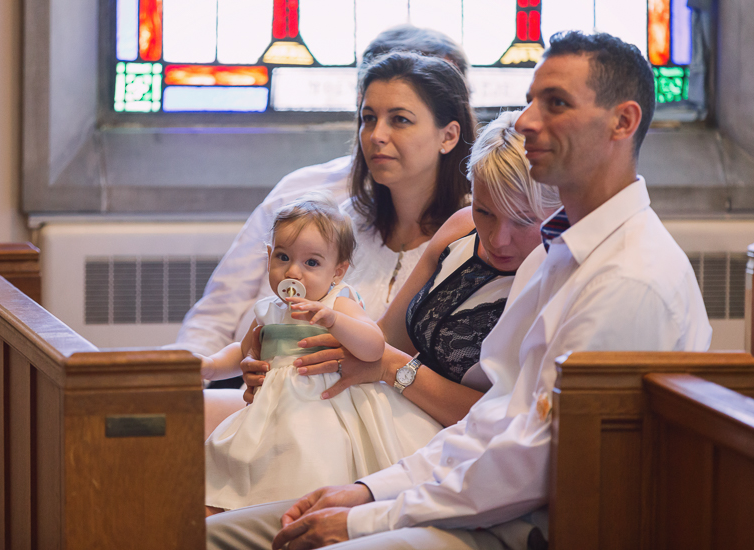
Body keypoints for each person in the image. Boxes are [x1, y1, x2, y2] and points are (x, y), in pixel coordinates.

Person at [206, 31, 713, 550]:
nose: (526, 121)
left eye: (555, 104)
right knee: (210, 535)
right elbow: (492, 420)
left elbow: (529, 465)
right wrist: (366, 491)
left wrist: (368, 518)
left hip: (535, 526)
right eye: (531, 100)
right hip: (458, 489)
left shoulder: (628, 277)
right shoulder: (558, 252)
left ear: (622, 122)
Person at [165, 26, 471, 436]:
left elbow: (388, 350)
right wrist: (231, 365)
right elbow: (223, 309)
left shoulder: (475, 232)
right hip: (281, 400)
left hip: (385, 417)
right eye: (368, 118)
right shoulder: (332, 217)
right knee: (156, 420)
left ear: (449, 132)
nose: (377, 136)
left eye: (400, 118)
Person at [243, 110, 562, 430]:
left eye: (522, 220)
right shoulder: (461, 228)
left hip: (460, 435)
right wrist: (282, 357)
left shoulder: (560, 276)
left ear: (560, 206)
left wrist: (392, 367)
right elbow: (386, 336)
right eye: (484, 211)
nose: (497, 238)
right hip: (390, 405)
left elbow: (516, 418)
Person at [204, 194, 442, 515]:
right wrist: (210, 366)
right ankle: (253, 515)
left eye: (311, 263)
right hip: (274, 412)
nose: (293, 272)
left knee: (310, 462)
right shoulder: (268, 311)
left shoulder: (337, 303)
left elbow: (374, 346)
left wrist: (334, 321)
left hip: (324, 409)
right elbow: (245, 350)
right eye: (283, 257)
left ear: (337, 272)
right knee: (254, 468)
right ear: (269, 257)